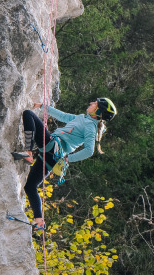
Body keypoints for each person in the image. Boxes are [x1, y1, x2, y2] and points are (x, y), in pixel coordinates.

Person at [13, 97, 117, 229]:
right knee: (30, 186)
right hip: (52, 158)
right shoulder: (82, 118)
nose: (91, 103)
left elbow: (89, 150)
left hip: (53, 147)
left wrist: (68, 159)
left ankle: (28, 152)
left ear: (97, 112)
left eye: (95, 103)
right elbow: (63, 116)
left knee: (28, 114)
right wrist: (42, 106)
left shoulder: (90, 126)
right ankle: (39, 220)